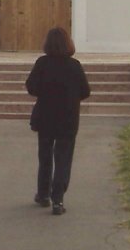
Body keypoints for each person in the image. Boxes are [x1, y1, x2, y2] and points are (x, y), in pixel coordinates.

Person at [25, 26, 91, 215]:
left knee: (45, 157)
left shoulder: (42, 63)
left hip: (45, 117)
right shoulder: (74, 65)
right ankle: (58, 199)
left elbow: (31, 87)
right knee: (63, 158)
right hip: (68, 119)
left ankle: (43, 193)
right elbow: (85, 91)